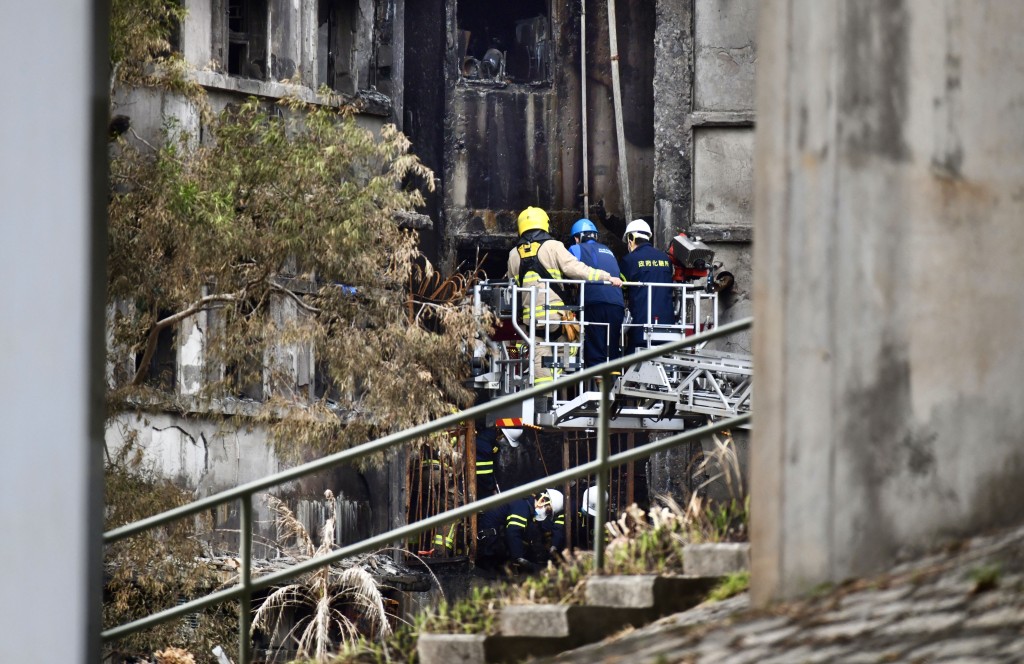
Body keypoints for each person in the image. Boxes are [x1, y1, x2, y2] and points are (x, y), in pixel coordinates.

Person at [507, 206, 623, 386]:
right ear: (544, 224)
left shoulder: (513, 255)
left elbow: (512, 288)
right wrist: (607, 277)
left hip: (532, 324)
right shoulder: (553, 247)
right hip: (556, 319)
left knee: (541, 370)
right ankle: (573, 374)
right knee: (581, 336)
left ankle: (543, 405)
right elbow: (578, 270)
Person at [568, 219, 626, 368]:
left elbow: (569, 272)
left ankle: (597, 384)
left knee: (594, 346)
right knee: (611, 346)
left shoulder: (576, 249)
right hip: (617, 304)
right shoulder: (609, 251)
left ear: (577, 238)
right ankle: (612, 382)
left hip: (594, 303)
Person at [619, 219, 676, 354]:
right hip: (667, 324)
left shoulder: (629, 260)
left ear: (631, 237)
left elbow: (622, 287)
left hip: (641, 325)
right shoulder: (665, 259)